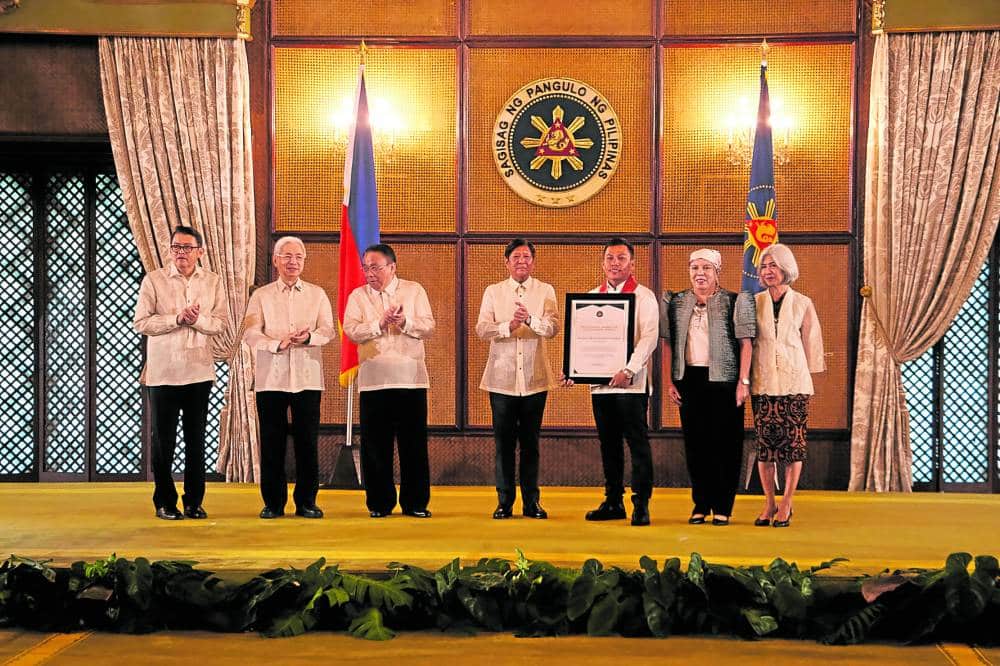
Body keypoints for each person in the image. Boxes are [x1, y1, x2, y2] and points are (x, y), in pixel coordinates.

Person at [134, 225, 227, 521]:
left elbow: (220, 324)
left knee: (196, 439)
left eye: (187, 248)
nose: (181, 253)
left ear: (200, 252)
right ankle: (164, 501)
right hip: (163, 372)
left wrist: (197, 320)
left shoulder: (212, 282)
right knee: (163, 441)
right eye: (176, 247)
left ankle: (194, 502)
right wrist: (177, 318)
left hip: (199, 371)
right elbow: (142, 323)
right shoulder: (154, 280)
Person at [566, 238, 659, 526]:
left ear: (632, 263)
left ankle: (641, 504)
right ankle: (613, 501)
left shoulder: (644, 297)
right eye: (610, 258)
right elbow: (581, 339)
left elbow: (649, 338)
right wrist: (573, 369)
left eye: (621, 258)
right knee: (609, 444)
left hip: (630, 384)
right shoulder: (592, 296)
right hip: (601, 385)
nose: (615, 263)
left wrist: (628, 370)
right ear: (603, 263)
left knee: (637, 443)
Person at [660, 249, 755, 526]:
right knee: (696, 445)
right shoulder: (676, 302)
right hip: (690, 380)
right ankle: (700, 503)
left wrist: (743, 382)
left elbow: (745, 344)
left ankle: (723, 505)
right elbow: (666, 344)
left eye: (706, 268)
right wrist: (668, 381)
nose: (700, 273)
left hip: (725, 382)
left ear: (717, 272)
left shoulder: (734, 301)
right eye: (695, 268)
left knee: (726, 444)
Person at [244, 236, 334, 519]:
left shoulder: (317, 294)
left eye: (298, 256)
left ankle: (307, 501)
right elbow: (250, 333)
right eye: (286, 256)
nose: (293, 261)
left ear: (304, 261)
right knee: (272, 442)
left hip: (307, 377)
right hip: (271, 377)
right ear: (275, 260)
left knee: (307, 441)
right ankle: (273, 502)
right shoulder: (261, 296)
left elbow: (329, 330)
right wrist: (276, 344)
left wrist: (308, 337)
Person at [343, 243, 435, 519]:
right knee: (375, 445)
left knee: (413, 444)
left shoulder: (414, 290)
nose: (370, 273)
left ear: (392, 267)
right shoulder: (358, 297)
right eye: (366, 267)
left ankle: (415, 503)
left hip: (411, 379)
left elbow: (429, 327)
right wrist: (379, 325)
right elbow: (351, 331)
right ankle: (380, 503)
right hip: (374, 381)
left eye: (376, 267)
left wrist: (404, 322)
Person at [476, 239, 559, 520]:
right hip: (501, 379)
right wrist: (507, 326)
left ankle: (531, 502)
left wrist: (530, 320)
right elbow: (481, 328)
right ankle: (504, 502)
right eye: (516, 257)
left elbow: (553, 327)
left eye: (526, 257)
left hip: (535, 378)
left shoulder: (545, 290)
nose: (521, 261)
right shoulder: (493, 291)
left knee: (531, 443)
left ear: (533, 262)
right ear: (506, 261)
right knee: (504, 443)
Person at [750, 243, 824, 528]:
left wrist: (804, 377)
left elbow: (811, 346)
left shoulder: (803, 302)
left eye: (774, 265)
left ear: (786, 269)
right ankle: (769, 502)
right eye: (764, 266)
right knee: (765, 448)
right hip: (764, 382)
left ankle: (787, 502)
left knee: (794, 447)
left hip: (795, 384)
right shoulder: (754, 302)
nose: (769, 271)